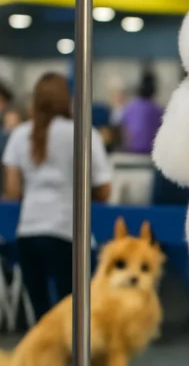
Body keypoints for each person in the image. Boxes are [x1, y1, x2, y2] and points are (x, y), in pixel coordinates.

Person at [2, 72, 112, 321]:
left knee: (42, 319)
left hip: (29, 233)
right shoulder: (84, 133)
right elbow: (104, 190)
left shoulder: (19, 135)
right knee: (73, 317)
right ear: (67, 99)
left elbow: (12, 191)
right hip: (68, 232)